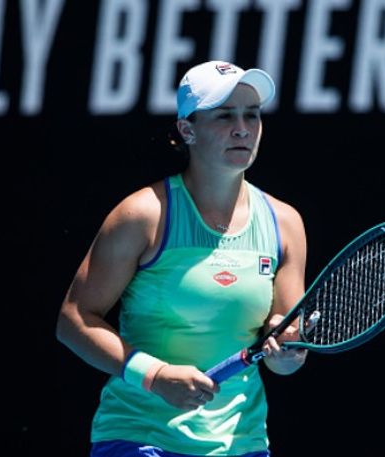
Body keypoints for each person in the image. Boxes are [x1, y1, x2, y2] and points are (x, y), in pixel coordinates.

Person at [56, 60, 308, 457]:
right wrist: (154, 376)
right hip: (141, 439)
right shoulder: (143, 216)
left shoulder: (285, 223)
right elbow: (73, 321)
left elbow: (284, 357)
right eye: (225, 115)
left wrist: (288, 350)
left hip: (242, 445)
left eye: (252, 114)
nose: (243, 127)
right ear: (187, 130)